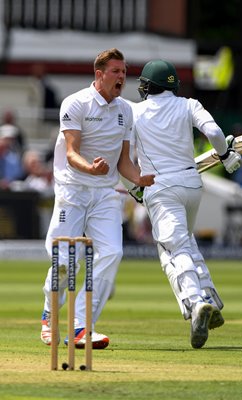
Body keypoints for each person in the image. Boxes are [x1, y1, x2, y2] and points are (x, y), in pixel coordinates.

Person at [40, 48, 155, 350]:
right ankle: (50, 316)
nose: (122, 77)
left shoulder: (125, 111)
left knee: (113, 253)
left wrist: (140, 178)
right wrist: (90, 167)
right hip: (73, 191)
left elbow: (124, 163)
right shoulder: (75, 103)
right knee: (65, 262)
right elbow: (71, 152)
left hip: (105, 193)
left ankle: (81, 326)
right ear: (99, 74)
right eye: (116, 71)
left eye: (124, 71)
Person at [129, 59, 242, 349]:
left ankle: (195, 303)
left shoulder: (135, 112)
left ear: (146, 87)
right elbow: (215, 133)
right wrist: (227, 155)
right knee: (186, 242)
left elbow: (127, 157)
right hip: (192, 185)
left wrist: (135, 187)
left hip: (161, 187)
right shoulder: (189, 104)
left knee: (173, 248)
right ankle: (209, 297)